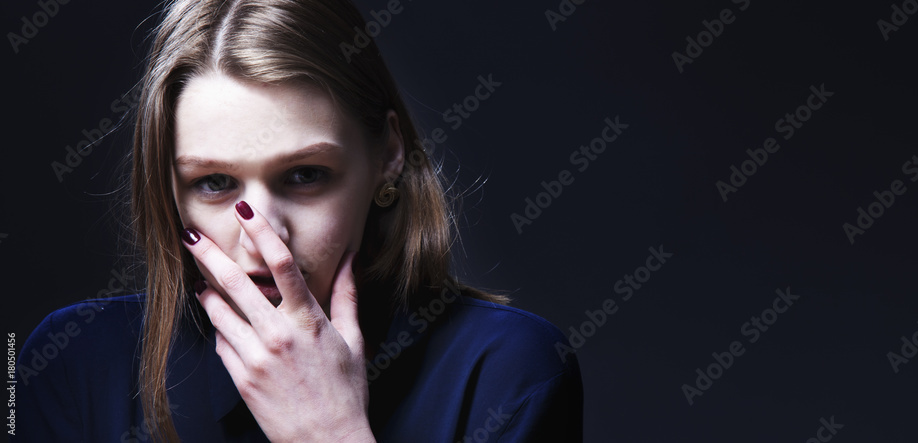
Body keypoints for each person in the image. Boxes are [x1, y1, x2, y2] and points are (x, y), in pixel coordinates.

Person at [13, 0, 583, 441]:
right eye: (214, 183)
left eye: (306, 175)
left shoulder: (509, 372)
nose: (265, 243)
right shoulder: (73, 361)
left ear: (388, 154)